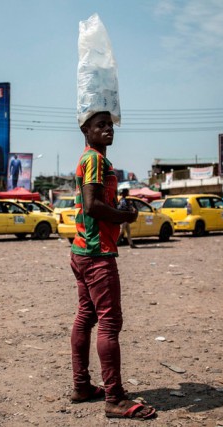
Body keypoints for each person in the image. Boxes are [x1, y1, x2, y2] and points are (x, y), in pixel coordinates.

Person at [69, 111, 156, 420]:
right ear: (86, 130)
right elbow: (92, 206)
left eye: (109, 124)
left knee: (86, 317)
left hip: (82, 250)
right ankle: (115, 399)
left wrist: (117, 210)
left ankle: (82, 386)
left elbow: (92, 202)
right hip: (96, 253)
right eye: (99, 125)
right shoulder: (93, 159)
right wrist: (125, 216)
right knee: (109, 323)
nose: (107, 129)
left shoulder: (91, 159)